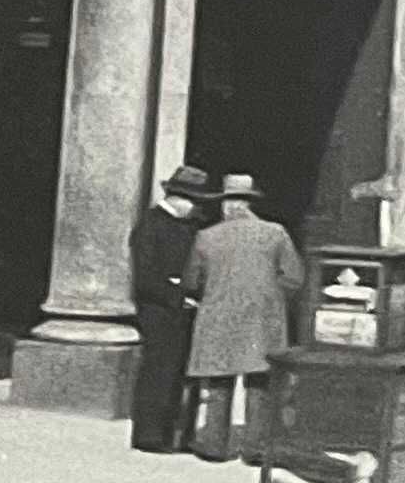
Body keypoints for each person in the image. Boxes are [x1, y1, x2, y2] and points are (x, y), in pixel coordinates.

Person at [184, 172, 306, 443]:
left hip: (218, 315)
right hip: (262, 317)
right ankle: (256, 445)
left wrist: (210, 293)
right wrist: (271, 297)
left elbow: (192, 280)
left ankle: (214, 444)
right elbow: (294, 276)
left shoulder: (206, 236)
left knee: (218, 381)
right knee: (259, 382)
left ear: (226, 204)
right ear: (250, 204)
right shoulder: (275, 233)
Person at [128, 162, 215, 457]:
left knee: (178, 373)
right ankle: (149, 435)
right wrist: (177, 295)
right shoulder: (151, 226)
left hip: (181, 310)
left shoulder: (189, 227)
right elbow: (145, 277)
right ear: (177, 198)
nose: (197, 208)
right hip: (159, 311)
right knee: (158, 370)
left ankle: (175, 433)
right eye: (194, 201)